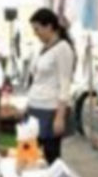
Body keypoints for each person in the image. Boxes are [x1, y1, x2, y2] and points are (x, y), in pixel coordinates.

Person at [26, 8, 76, 164]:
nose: (35, 33)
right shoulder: (43, 48)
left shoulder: (63, 49)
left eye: (37, 29)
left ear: (49, 27)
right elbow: (37, 79)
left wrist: (59, 117)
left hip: (50, 109)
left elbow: (65, 83)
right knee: (31, 155)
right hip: (35, 107)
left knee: (51, 156)